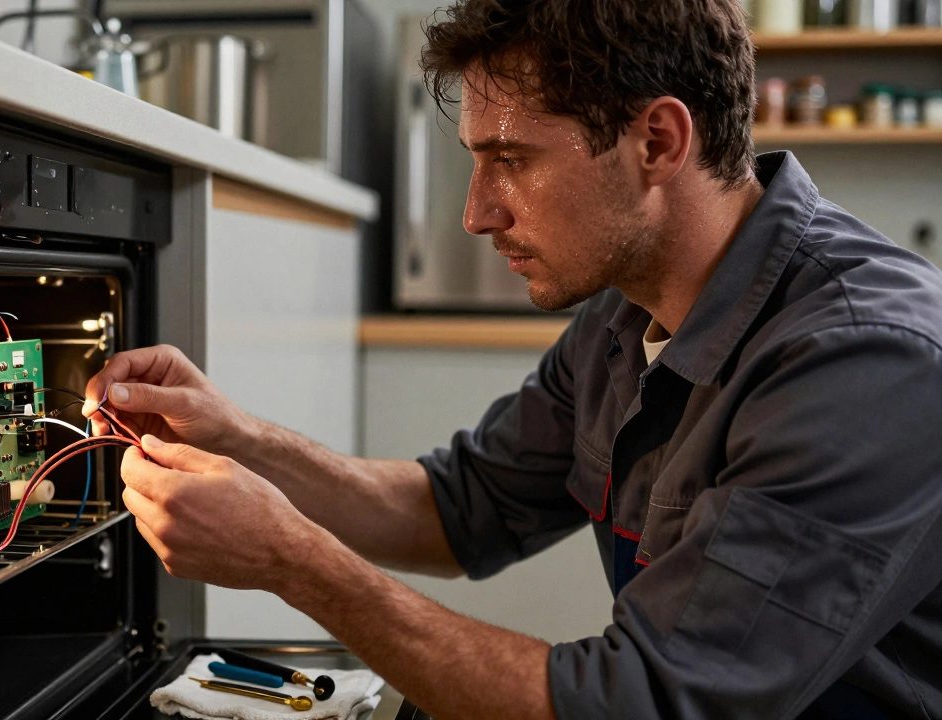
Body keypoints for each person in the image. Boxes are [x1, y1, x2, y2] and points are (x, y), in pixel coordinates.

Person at [84, 0, 942, 717]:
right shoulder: (624, 313)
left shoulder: (863, 360)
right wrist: (239, 440)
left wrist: (292, 561)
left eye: (511, 160)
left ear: (657, 142)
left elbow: (647, 704)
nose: (477, 214)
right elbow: (460, 507)